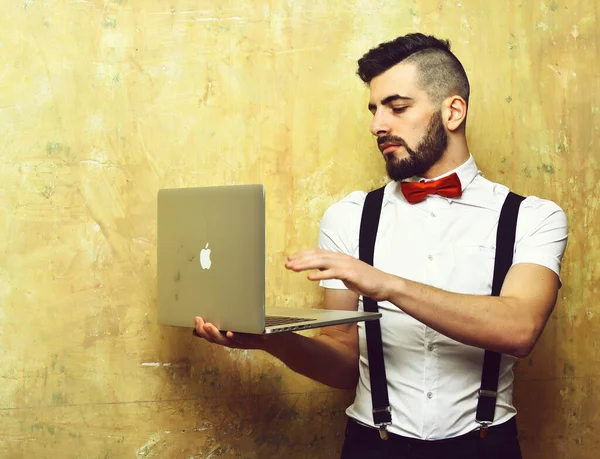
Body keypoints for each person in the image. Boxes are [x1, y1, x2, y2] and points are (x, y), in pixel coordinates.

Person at [193, 33, 568, 458]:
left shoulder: (534, 217)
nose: (377, 125)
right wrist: (267, 339)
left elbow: (518, 329)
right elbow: (342, 360)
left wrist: (383, 284)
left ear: (453, 111)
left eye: (398, 107)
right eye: (373, 110)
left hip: (487, 445)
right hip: (373, 444)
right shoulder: (349, 217)